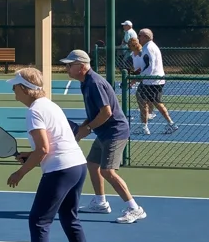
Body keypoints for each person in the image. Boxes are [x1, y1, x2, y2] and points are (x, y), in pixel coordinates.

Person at [4, 68, 95, 242]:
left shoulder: (34, 111)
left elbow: (43, 149)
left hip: (61, 170)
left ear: (25, 89)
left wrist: (21, 172)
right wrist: (29, 155)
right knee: (68, 216)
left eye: (15, 86)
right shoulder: (50, 105)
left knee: (38, 220)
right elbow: (54, 141)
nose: (13, 91)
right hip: (77, 166)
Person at [60, 49, 147, 224]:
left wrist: (88, 128)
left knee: (107, 171)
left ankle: (135, 208)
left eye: (70, 65)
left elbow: (106, 112)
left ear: (82, 66)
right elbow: (95, 113)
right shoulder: (85, 82)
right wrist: (83, 129)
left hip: (115, 132)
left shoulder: (94, 83)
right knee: (93, 165)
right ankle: (100, 202)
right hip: (103, 132)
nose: (67, 68)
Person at [138, 29, 177, 134]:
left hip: (151, 81)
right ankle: (169, 123)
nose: (138, 38)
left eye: (140, 36)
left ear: (146, 37)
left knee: (145, 101)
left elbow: (149, 66)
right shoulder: (149, 47)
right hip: (154, 80)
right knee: (154, 102)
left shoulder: (148, 48)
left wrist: (138, 77)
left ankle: (145, 127)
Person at [124, 37, 149, 131]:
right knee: (143, 102)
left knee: (144, 102)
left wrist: (133, 81)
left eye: (130, 45)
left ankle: (145, 126)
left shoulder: (142, 53)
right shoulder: (132, 55)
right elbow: (137, 70)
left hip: (147, 79)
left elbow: (143, 68)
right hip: (141, 78)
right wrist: (133, 81)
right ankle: (145, 125)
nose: (128, 47)